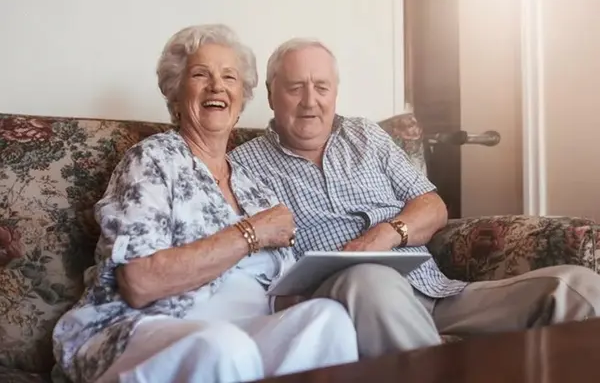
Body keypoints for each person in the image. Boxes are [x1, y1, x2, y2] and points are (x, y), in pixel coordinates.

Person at [229, 37, 600, 359]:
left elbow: (432, 206)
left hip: (434, 290)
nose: (311, 101)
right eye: (296, 87)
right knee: (370, 280)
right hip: (350, 296)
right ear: (270, 93)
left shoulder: (365, 135)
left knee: (577, 287)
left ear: (335, 92)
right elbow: (250, 263)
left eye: (322, 87)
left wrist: (388, 234)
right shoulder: (241, 166)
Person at [52, 26, 359, 383]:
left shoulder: (254, 186)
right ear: (176, 94)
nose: (217, 86)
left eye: (229, 77)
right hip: (149, 328)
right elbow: (139, 282)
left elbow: (283, 293)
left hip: (244, 329)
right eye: (201, 75)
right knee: (225, 347)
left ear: (241, 98)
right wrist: (250, 233)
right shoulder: (153, 160)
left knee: (327, 320)